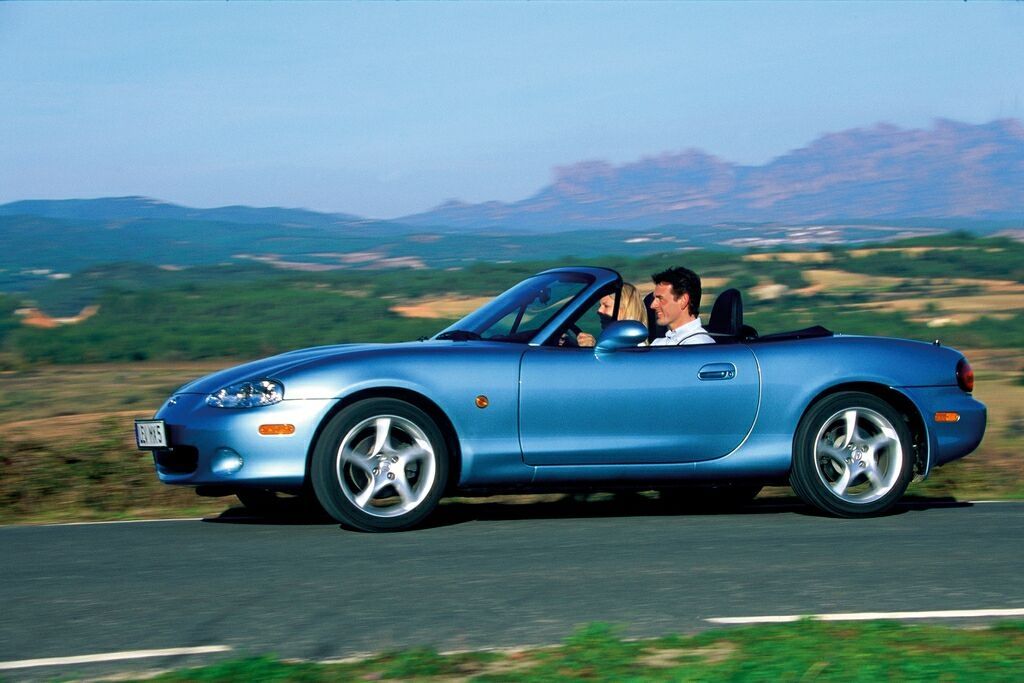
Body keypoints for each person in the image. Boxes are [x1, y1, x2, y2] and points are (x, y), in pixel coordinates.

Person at [648, 266, 714, 346]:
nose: (652, 305)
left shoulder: (699, 345)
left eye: (660, 298)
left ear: (683, 300)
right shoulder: (658, 343)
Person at [576, 282, 648, 347]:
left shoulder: (635, 346)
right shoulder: (621, 343)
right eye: (600, 306)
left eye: (606, 306)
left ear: (626, 309)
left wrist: (590, 349)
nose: (599, 310)